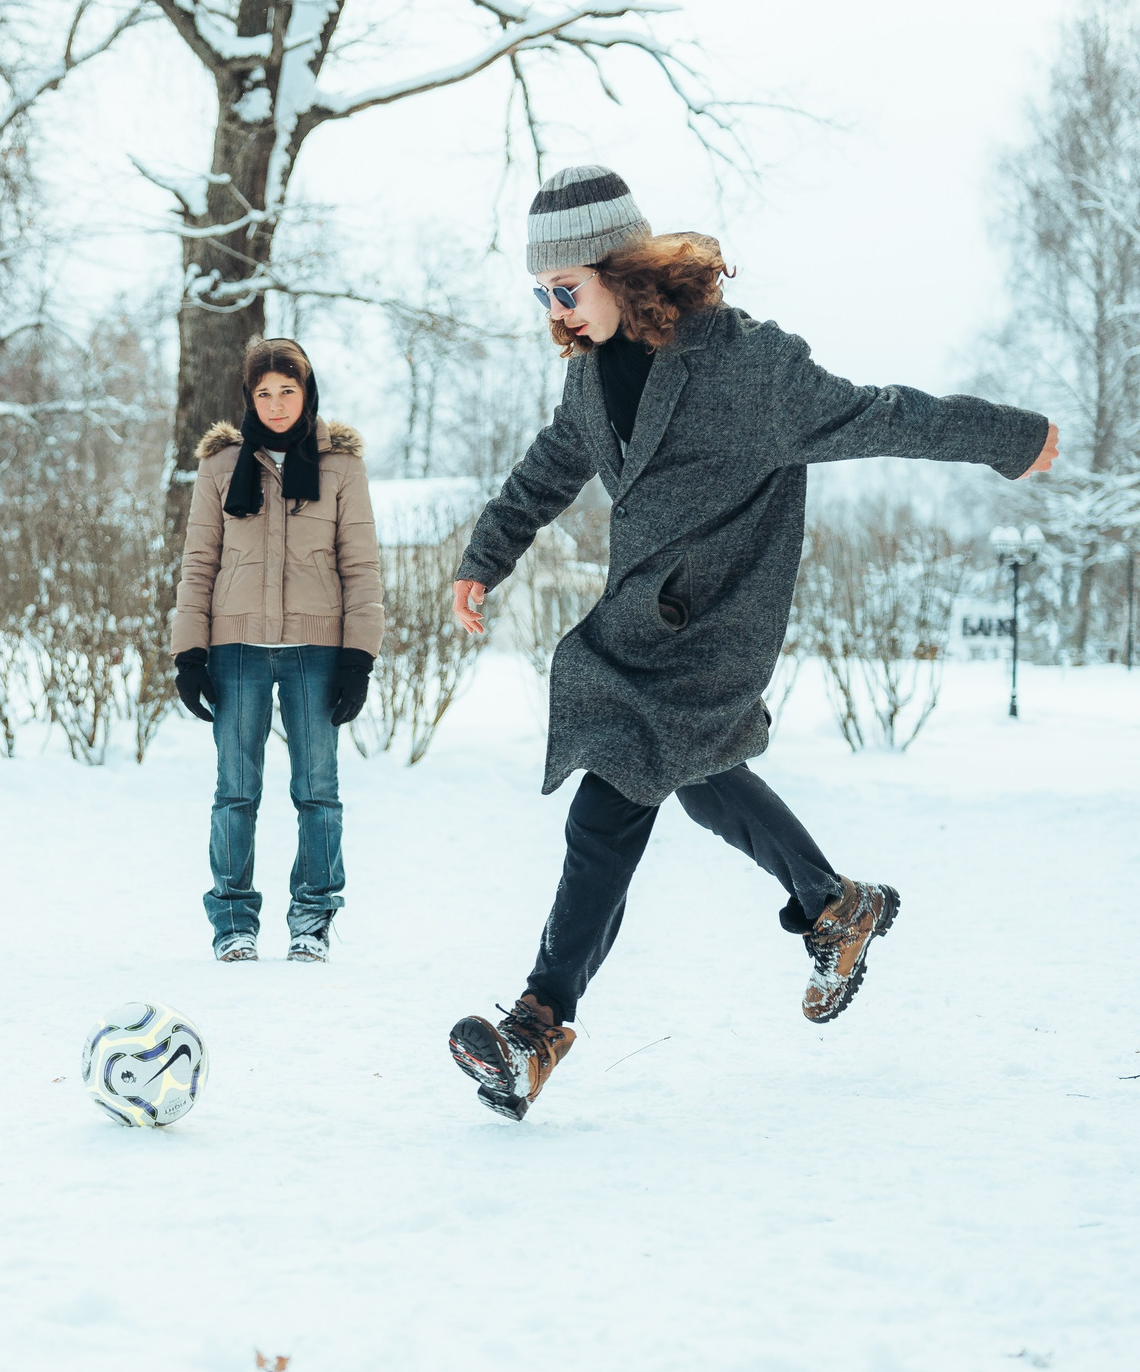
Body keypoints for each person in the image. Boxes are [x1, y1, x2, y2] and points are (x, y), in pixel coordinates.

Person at [445, 165, 1060, 1120]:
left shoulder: (747, 366)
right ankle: (831, 904)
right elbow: (547, 470)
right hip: (641, 623)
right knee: (693, 777)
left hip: (716, 621)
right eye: (542, 296)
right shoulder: (589, 378)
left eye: (566, 290)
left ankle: (538, 1026)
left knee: (610, 801)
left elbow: (885, 413)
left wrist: (1008, 438)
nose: (557, 313)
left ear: (620, 269)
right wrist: (485, 557)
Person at [169, 338, 384, 964]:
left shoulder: (339, 467)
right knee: (236, 791)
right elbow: (199, 562)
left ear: (307, 391)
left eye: (287, 390)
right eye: (264, 393)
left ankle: (312, 919)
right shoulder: (220, 467)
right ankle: (233, 920)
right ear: (249, 398)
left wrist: (357, 657)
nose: (276, 403)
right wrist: (190, 653)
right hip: (235, 650)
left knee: (317, 791)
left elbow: (361, 566)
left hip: (316, 653)